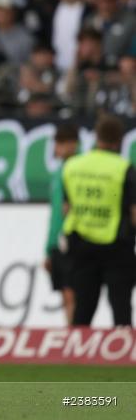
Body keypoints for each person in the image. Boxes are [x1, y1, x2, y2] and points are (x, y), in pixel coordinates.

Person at [62, 114, 136, 326]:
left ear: (97, 137)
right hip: (116, 245)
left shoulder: (72, 166)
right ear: (119, 141)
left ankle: (76, 355)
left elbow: (67, 209)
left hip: (81, 245)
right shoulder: (124, 168)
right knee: (121, 308)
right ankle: (122, 354)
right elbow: (134, 212)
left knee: (83, 309)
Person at [43, 122, 79, 325]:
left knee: (71, 291)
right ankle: (71, 332)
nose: (57, 149)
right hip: (59, 240)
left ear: (72, 144)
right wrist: (48, 248)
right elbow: (55, 214)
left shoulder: (76, 169)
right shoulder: (58, 172)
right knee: (65, 292)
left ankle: (74, 336)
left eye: (61, 144)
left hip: (72, 237)